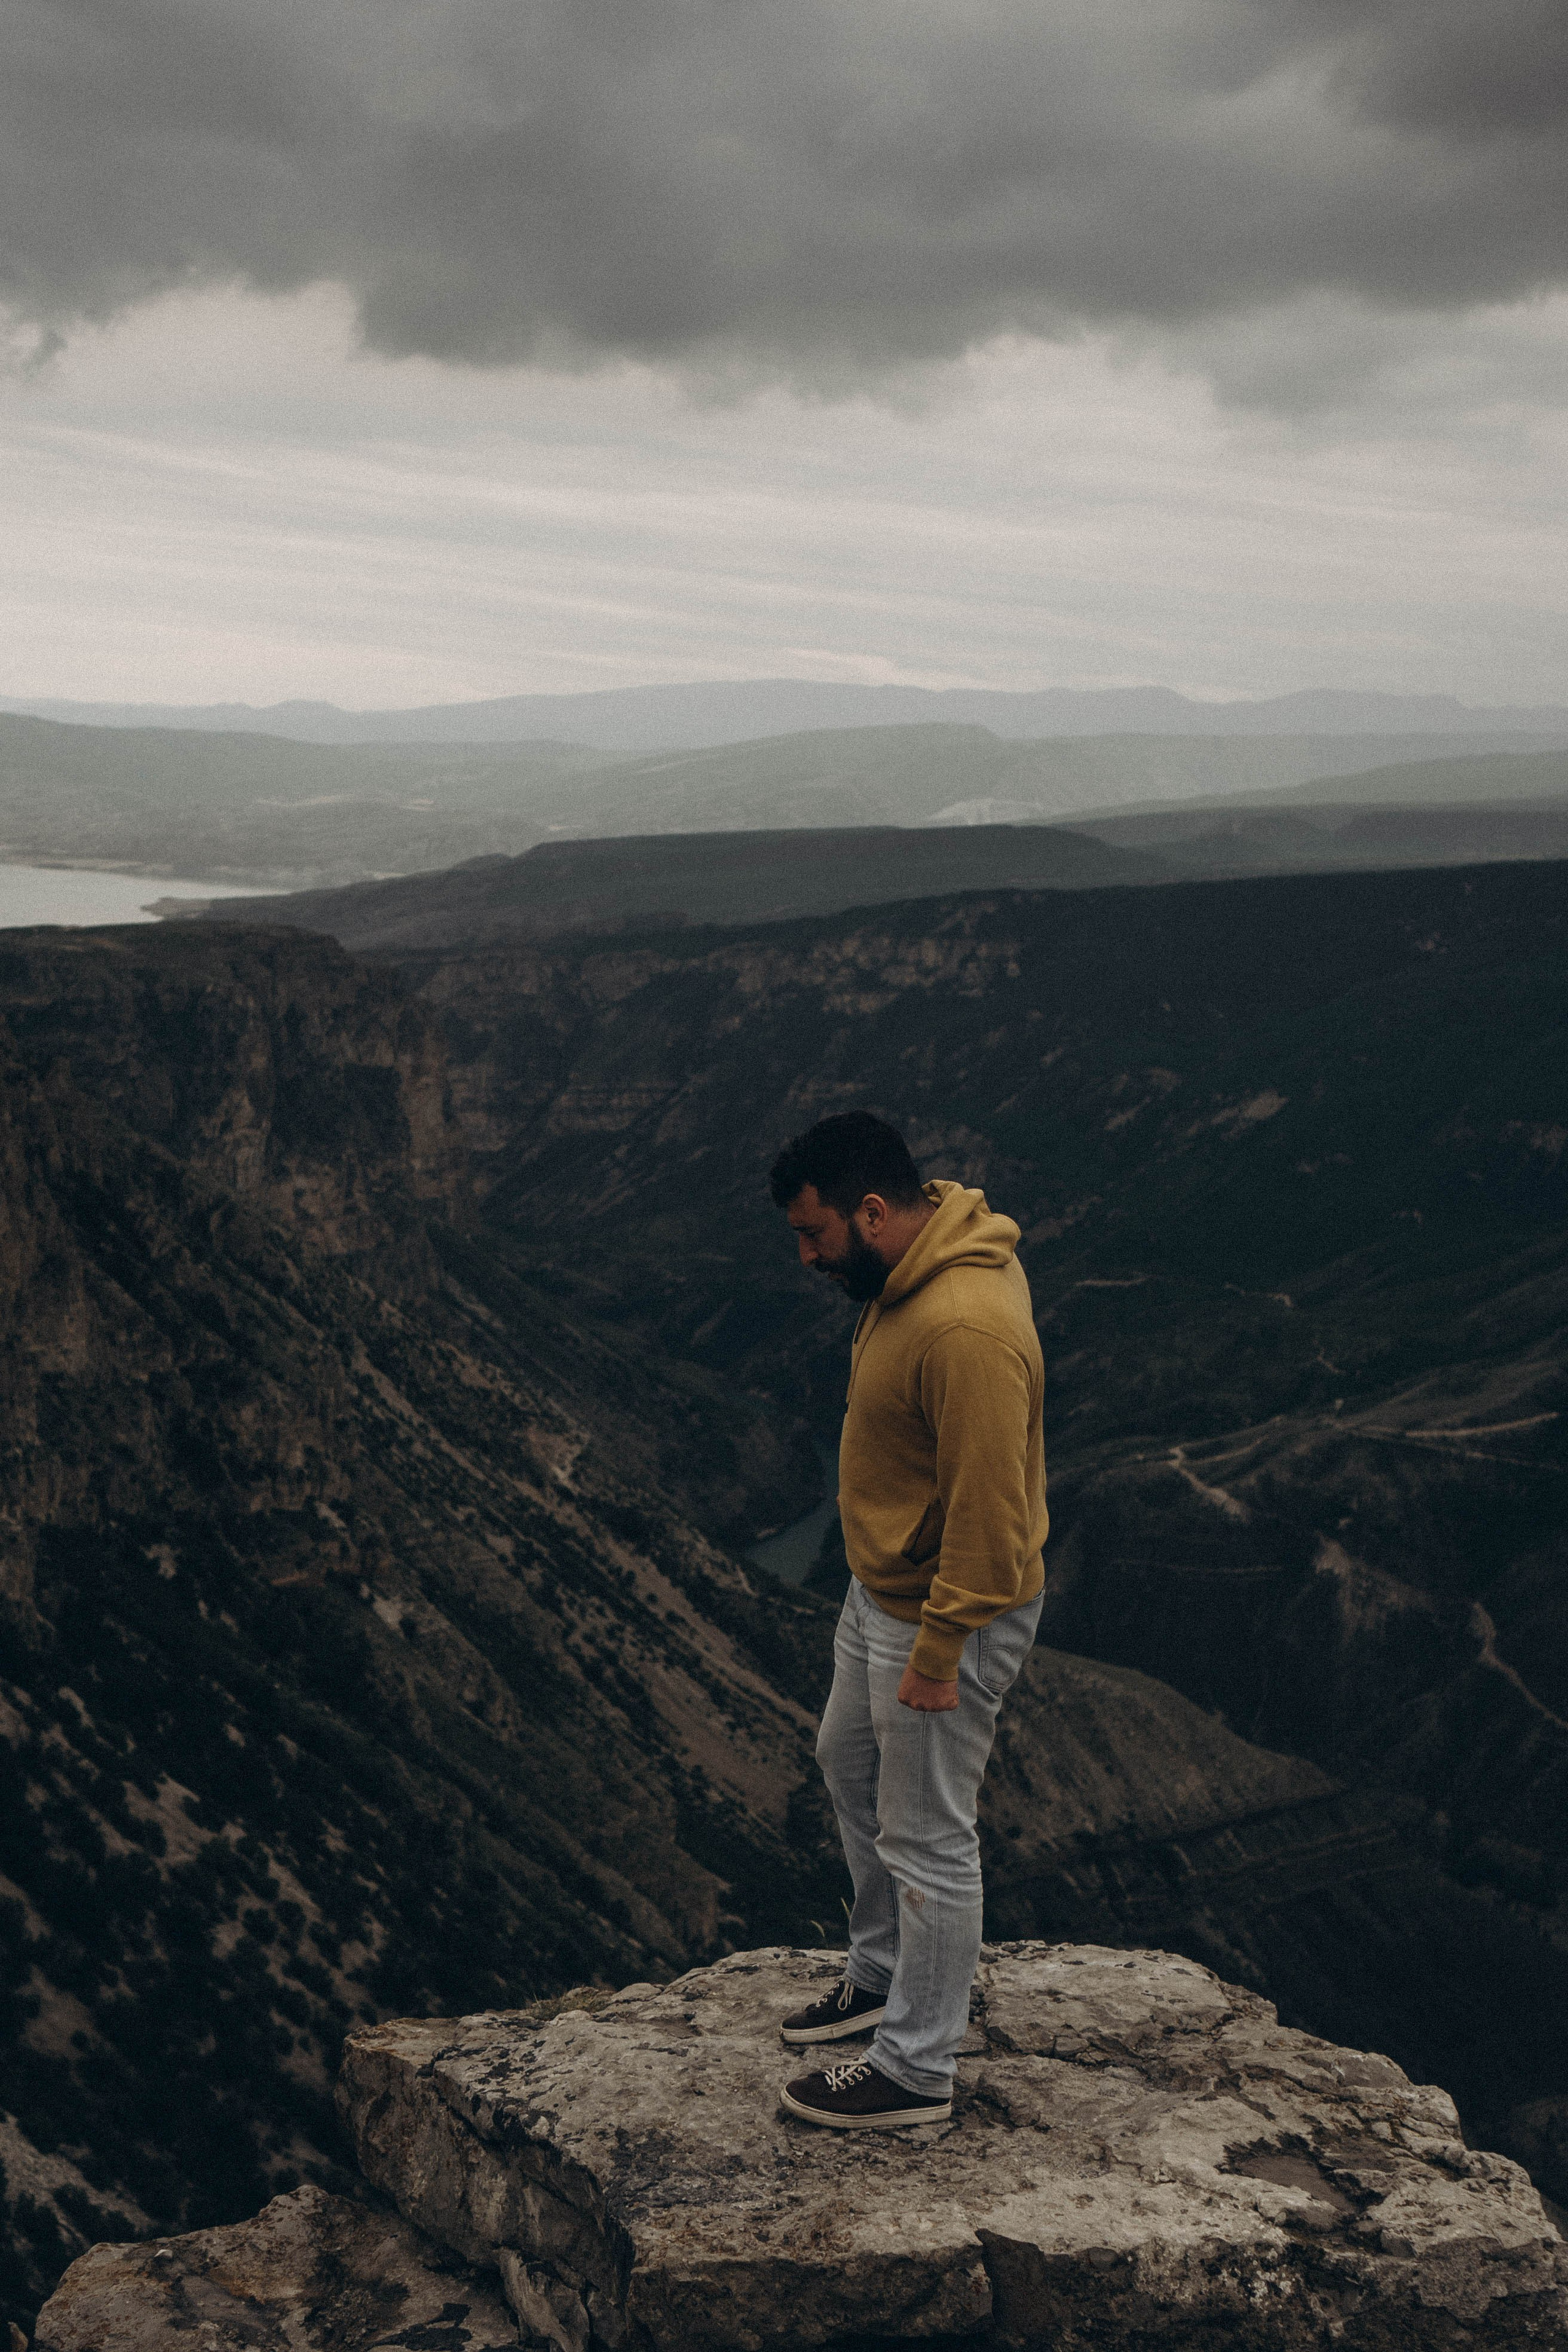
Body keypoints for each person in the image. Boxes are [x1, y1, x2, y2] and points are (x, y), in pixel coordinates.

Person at [768, 1110, 1047, 2130]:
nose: (805, 1258)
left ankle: (916, 2069)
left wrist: (939, 1650)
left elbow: (992, 1514)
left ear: (874, 1212)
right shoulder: (906, 1272)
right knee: (845, 1761)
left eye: (816, 1235)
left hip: (943, 1612)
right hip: (879, 1589)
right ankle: (884, 1975)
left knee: (930, 1835)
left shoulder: (962, 1324)